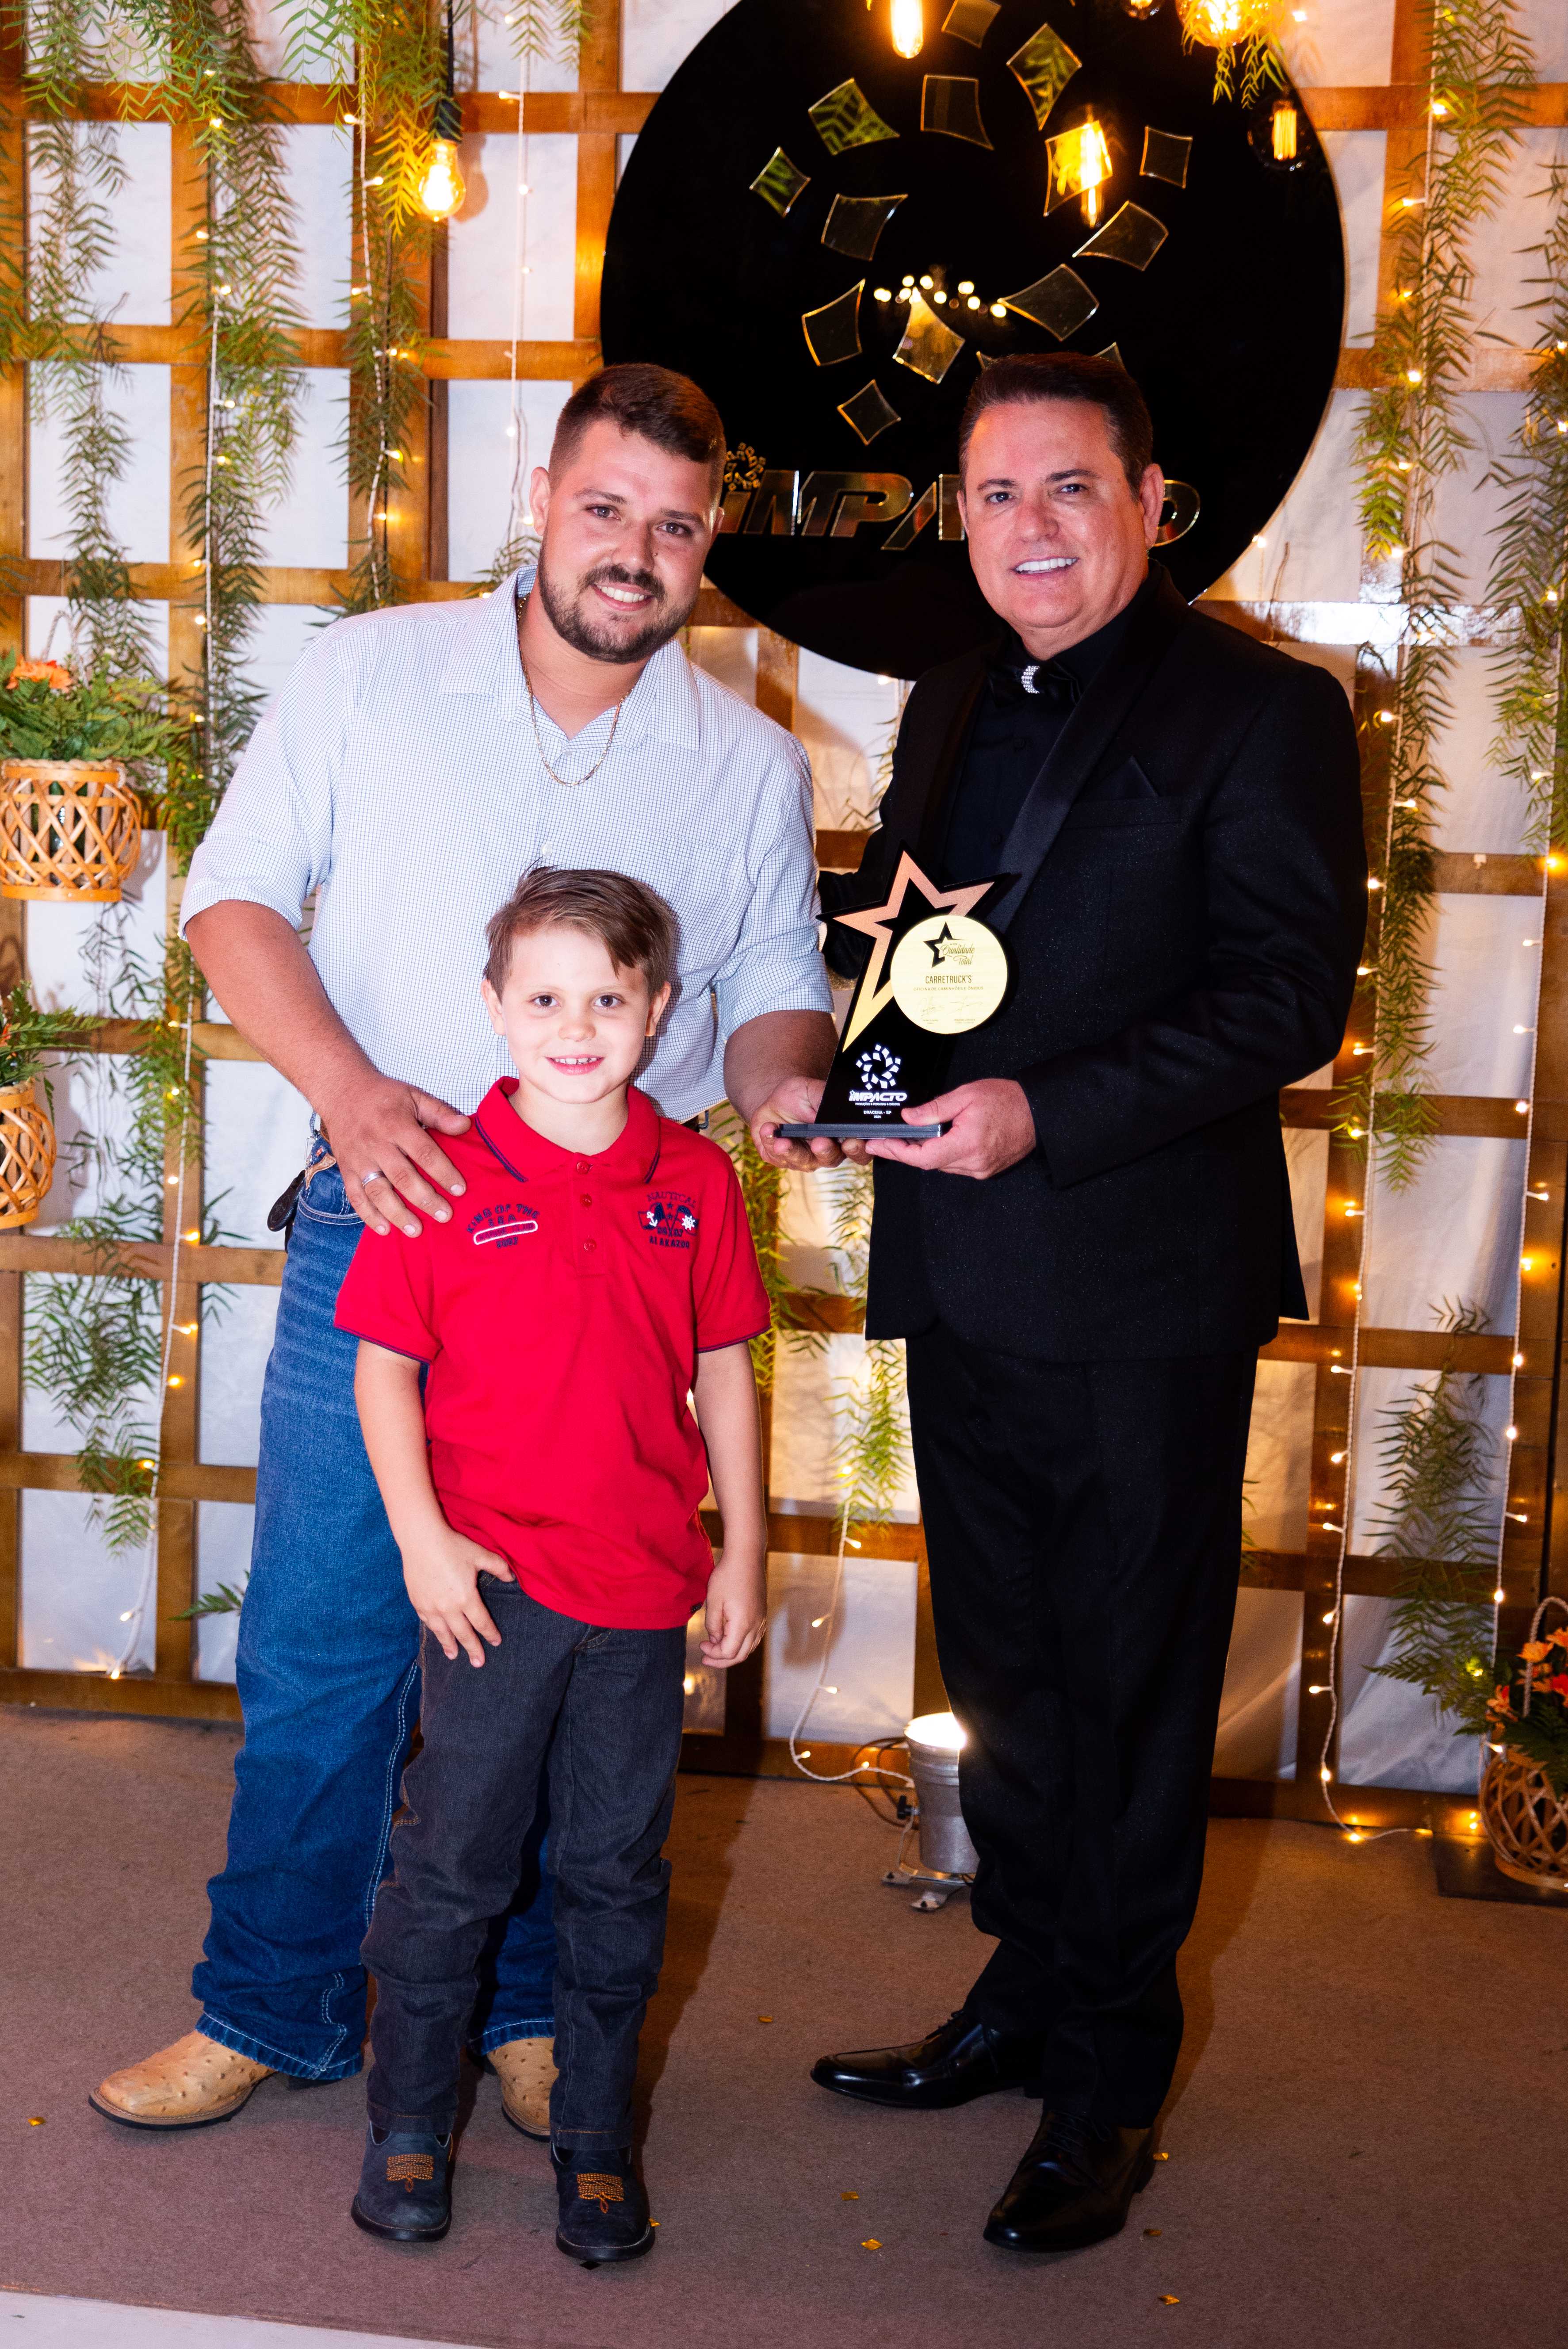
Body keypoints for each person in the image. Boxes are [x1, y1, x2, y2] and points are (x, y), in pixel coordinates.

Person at [92, 363, 838, 2137]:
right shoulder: (370, 671)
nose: (634, 550)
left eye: (674, 526)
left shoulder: (746, 760)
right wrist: (349, 1092)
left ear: (708, 544)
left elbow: (772, 989)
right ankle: (268, 2002)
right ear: (541, 498)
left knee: (567, 1665)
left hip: (606, 1273)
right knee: (325, 1643)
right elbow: (229, 899)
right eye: (605, 508)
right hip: (395, 1219)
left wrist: (786, 1091)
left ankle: (520, 2012)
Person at [778, 354, 1365, 2255]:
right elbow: (920, 948)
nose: (1026, 526)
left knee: (1124, 1686)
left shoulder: (1265, 707)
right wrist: (832, 1086)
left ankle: (1109, 2076)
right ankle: (1023, 1994)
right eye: (992, 492)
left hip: (1138, 1286)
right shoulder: (950, 691)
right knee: (1005, 1672)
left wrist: (1048, 1109)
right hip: (958, 1269)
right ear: (957, 515)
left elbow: (1286, 997)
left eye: (1066, 487)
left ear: (1148, 501)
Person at [339, 867, 768, 2265]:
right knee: (450, 1867)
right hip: (491, 1595)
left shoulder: (696, 1178)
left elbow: (724, 1368)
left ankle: (594, 2137)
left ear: (658, 1009)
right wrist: (423, 1544)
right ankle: (410, 2125)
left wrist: (743, 1548)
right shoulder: (444, 1173)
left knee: (615, 1875)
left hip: (643, 1597)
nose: (574, 1028)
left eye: (606, 999)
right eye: (542, 999)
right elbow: (384, 1372)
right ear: (493, 1006)